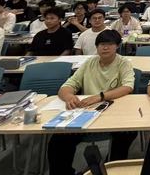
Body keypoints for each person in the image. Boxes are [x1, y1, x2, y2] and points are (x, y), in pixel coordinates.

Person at [48, 29, 136, 175]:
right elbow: (68, 85)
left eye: (109, 44)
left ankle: (112, 168)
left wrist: (100, 96)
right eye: (101, 44)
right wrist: (69, 96)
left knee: (127, 133)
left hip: (113, 111)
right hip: (87, 112)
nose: (105, 47)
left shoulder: (123, 63)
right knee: (58, 140)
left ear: (117, 46)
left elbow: (128, 87)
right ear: (97, 47)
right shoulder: (89, 63)